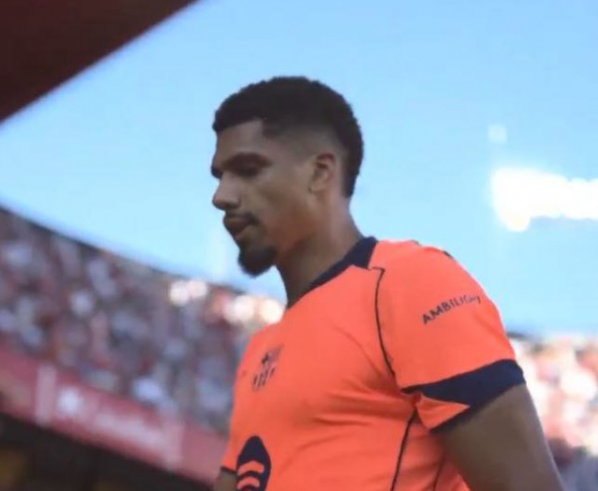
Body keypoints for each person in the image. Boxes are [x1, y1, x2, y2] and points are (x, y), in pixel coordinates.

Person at [209, 76, 563, 491]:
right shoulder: (259, 350)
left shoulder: (411, 284)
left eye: (248, 170)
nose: (222, 196)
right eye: (219, 176)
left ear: (320, 173)